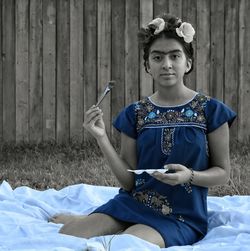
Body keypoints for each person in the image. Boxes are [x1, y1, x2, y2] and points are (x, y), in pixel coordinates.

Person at [51, 13, 236, 248]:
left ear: (187, 63)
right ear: (148, 66)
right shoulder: (135, 113)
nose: (166, 64)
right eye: (157, 57)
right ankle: (98, 220)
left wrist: (189, 176)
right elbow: (129, 182)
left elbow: (223, 172)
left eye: (175, 56)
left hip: (181, 214)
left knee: (128, 244)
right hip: (133, 203)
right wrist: (102, 138)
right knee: (69, 233)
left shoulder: (211, 111)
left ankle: (121, 229)